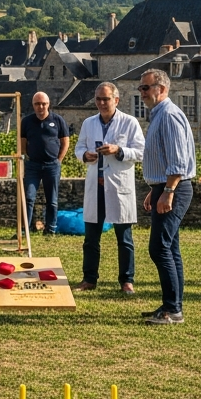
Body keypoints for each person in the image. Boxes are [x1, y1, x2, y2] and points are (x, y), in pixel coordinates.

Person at [73, 83, 145, 294]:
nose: (102, 103)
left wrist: (119, 150)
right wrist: (85, 156)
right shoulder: (88, 123)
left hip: (118, 186)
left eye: (106, 99)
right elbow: (79, 147)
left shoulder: (129, 122)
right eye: (98, 99)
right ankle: (89, 279)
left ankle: (127, 280)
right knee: (91, 238)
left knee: (124, 238)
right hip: (96, 186)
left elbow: (141, 151)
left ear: (116, 100)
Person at [138, 69, 196, 325]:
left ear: (161, 89)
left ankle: (173, 310)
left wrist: (169, 191)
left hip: (175, 187)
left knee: (159, 247)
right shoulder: (160, 115)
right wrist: (156, 189)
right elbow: (164, 158)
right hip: (165, 186)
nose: (142, 93)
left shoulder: (170, 115)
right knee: (170, 248)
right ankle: (171, 305)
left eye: (146, 88)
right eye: (141, 88)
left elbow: (178, 161)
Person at [20, 92, 69, 235]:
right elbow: (23, 142)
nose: (40, 107)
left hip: (52, 165)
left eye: (43, 104)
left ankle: (50, 229)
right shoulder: (27, 121)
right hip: (33, 165)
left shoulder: (58, 120)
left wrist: (59, 160)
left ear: (48, 104)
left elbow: (65, 141)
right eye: (37, 104)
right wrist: (26, 157)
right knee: (28, 198)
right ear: (33, 105)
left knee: (52, 200)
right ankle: (25, 230)